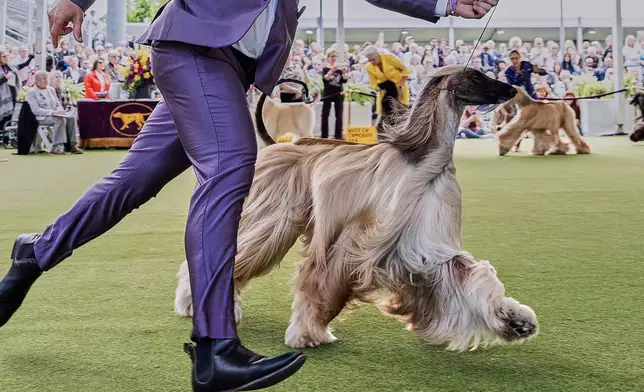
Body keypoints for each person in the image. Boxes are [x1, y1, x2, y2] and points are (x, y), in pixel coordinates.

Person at [0, 0, 498, 391]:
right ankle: (215, 345)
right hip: (193, 45)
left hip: (234, 64)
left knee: (133, 181)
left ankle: (35, 251)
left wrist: (447, 1)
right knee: (229, 169)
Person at [320, 48, 348, 139]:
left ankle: (338, 136)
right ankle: (324, 136)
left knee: (339, 116)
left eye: (335, 56)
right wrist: (331, 70)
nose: (333, 58)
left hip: (338, 94)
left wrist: (344, 73)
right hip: (328, 94)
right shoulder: (325, 68)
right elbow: (325, 79)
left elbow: (344, 80)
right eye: (332, 56)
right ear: (328, 57)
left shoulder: (339, 68)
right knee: (325, 115)